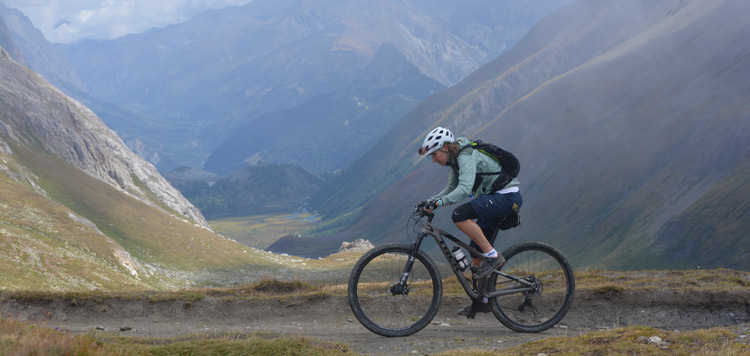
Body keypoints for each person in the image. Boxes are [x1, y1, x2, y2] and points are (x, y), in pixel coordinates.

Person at [417, 126, 522, 316]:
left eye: (434, 154)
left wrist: (439, 203)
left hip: (506, 197)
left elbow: (464, 189)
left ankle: (494, 256)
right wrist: (431, 201)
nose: (433, 160)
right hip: (494, 197)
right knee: (475, 252)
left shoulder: (465, 156)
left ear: (446, 148)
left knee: (459, 215)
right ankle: (482, 301)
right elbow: (451, 188)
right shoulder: (455, 162)